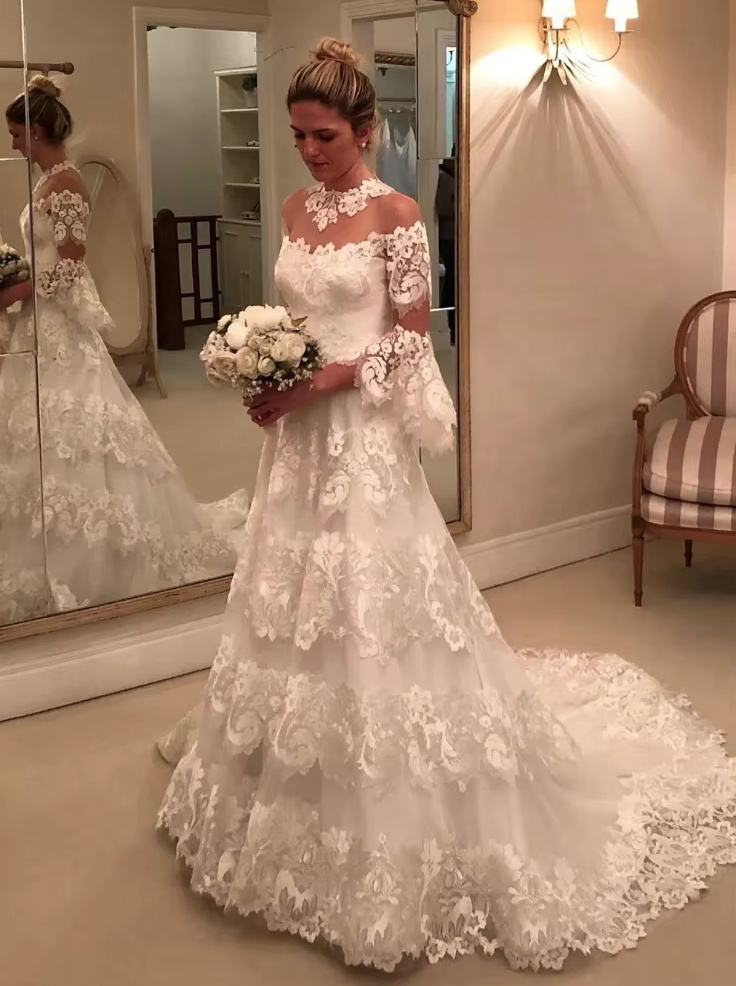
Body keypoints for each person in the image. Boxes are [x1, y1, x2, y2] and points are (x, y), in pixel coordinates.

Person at [156, 38, 736, 974]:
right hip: (298, 442)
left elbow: (410, 339)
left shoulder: (399, 216)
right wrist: (267, 369)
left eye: (323, 136)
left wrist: (321, 380)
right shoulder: (296, 209)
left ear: (364, 129)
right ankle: (292, 762)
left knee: (375, 597)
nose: (307, 152)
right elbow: (296, 320)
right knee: (292, 592)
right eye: (297, 135)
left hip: (360, 435)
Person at [0, 76, 248, 623]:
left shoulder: (65, 184)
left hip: (57, 323)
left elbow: (70, 267)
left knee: (77, 426)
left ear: (36, 131)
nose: (13, 143)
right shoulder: (47, 179)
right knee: (34, 428)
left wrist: (16, 290)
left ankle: (98, 548)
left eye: (16, 134)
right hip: (40, 321)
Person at [435, 147, 456, 346]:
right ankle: (449, 324)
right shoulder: (445, 178)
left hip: (454, 237)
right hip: (448, 238)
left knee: (454, 281)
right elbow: (443, 208)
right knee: (451, 282)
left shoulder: (452, 178)